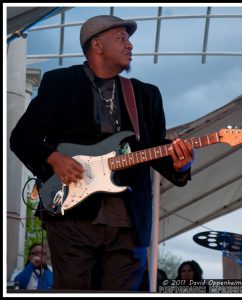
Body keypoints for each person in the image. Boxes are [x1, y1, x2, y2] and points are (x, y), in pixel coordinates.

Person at [9, 15, 194, 291]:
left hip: (129, 222)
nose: (130, 45)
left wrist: (179, 165)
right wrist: (54, 158)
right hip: (72, 217)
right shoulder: (60, 83)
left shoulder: (146, 95)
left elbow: (156, 151)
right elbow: (22, 137)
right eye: (122, 38)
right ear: (97, 45)